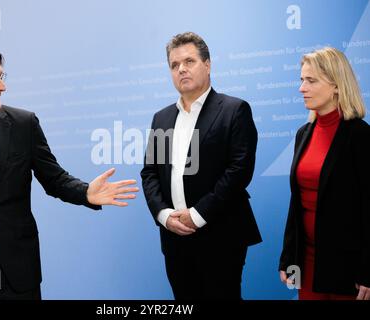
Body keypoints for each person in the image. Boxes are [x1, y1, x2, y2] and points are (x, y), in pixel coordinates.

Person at [0, 44, 138, 300]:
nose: (2, 87)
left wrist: (86, 192)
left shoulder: (24, 125)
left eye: (1, 77)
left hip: (17, 267)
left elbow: (54, 179)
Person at [141, 32, 262, 300]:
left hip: (220, 235)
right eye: (174, 65)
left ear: (207, 65)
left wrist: (197, 214)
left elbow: (239, 170)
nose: (181, 69)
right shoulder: (162, 118)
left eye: (189, 61)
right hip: (174, 238)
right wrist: (164, 215)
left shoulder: (234, 109)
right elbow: (150, 172)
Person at [279, 47, 370, 300]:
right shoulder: (303, 134)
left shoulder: (360, 135)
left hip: (346, 266)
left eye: (311, 80)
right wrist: (288, 259)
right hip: (306, 263)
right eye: (301, 80)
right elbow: (295, 204)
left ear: (336, 86)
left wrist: (368, 271)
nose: (302, 88)